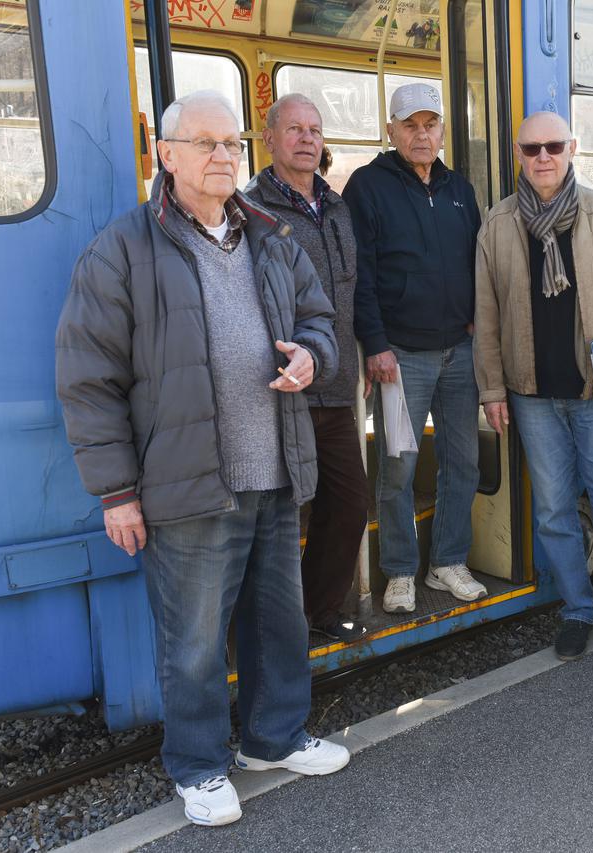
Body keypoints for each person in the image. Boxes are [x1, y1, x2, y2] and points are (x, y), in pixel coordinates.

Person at [55, 90, 349, 827]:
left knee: (276, 622)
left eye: (232, 144)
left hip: (273, 471)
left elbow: (320, 319)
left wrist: (313, 357)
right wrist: (116, 491)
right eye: (206, 143)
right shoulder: (123, 248)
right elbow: (89, 379)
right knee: (190, 639)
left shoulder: (272, 236)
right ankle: (197, 764)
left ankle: (272, 737)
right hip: (187, 485)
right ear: (167, 153)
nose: (223, 156)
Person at [473, 111, 593, 673]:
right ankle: (579, 611)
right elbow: (486, 317)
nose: (543, 158)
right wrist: (491, 389)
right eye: (531, 149)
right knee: (554, 510)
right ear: (518, 154)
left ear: (572, 148)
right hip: (530, 394)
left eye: (553, 146)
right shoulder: (499, 224)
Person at [344, 82, 486, 614]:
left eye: (430, 124)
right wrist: (375, 344)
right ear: (391, 131)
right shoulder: (368, 187)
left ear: (443, 130)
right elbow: (360, 275)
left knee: (463, 461)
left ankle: (447, 561)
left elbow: (476, 260)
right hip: (401, 357)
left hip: (459, 354)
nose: (421, 134)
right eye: (410, 125)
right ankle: (400, 571)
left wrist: (476, 321)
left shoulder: (459, 189)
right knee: (399, 466)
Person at [245, 93, 367, 644]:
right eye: (293, 128)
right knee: (278, 516)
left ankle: (319, 611)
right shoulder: (248, 211)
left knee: (347, 504)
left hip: (336, 384)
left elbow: (352, 292)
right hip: (278, 392)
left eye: (314, 129)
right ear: (269, 137)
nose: (306, 138)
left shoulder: (337, 208)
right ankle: (271, 629)